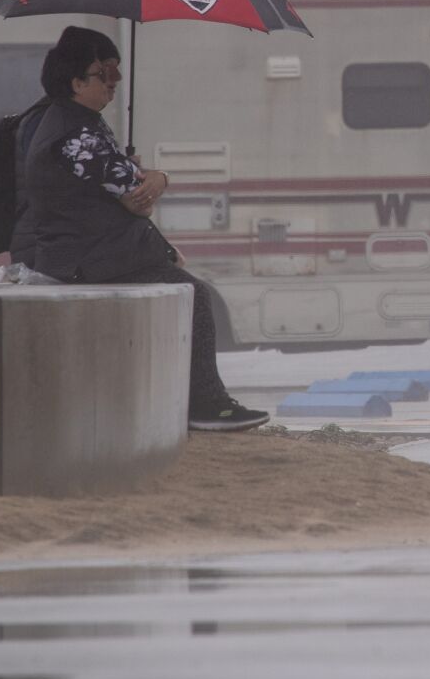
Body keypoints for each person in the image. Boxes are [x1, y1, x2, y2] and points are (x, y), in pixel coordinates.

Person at [20, 26, 268, 432]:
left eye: (117, 73)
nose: (114, 84)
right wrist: (158, 177)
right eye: (105, 75)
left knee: (185, 290)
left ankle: (197, 401)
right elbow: (137, 195)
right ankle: (207, 405)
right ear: (77, 82)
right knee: (195, 295)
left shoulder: (73, 122)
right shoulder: (76, 133)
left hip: (87, 253)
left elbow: (127, 191)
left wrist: (142, 175)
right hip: (90, 257)